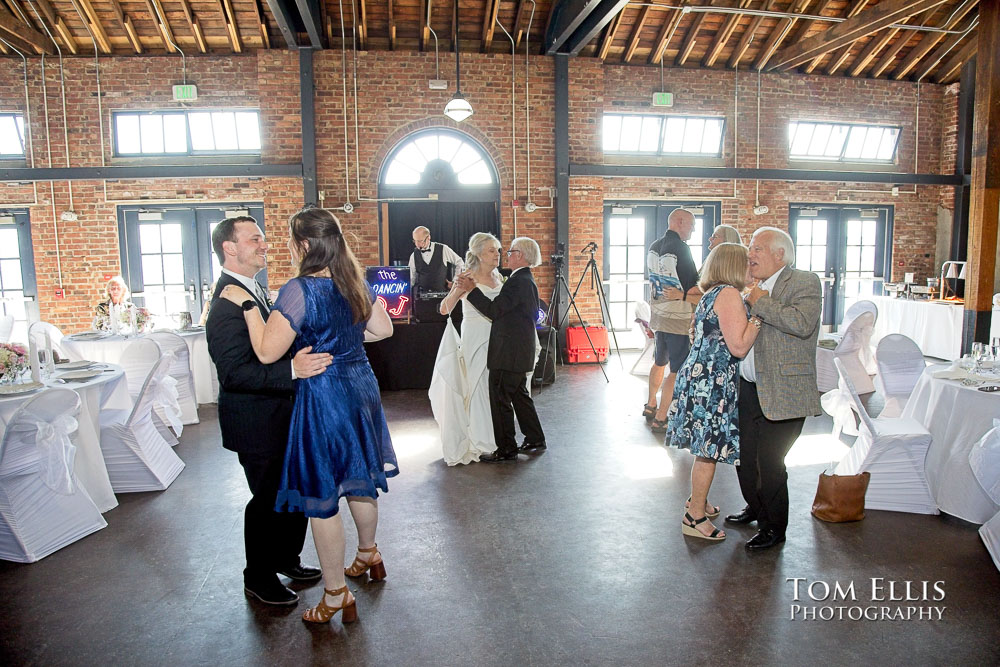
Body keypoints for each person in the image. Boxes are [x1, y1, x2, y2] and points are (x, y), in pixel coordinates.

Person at [219, 207, 398, 624]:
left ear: (302, 245)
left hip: (326, 394)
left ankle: (336, 593)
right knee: (360, 478)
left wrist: (247, 305)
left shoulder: (299, 289)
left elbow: (266, 352)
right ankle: (368, 553)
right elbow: (384, 331)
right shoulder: (354, 281)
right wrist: (347, 342)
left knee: (322, 496)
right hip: (362, 387)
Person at [206, 215, 330, 606]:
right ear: (230, 247)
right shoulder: (226, 302)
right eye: (254, 238)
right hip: (254, 422)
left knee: (292, 492)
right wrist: (293, 369)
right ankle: (257, 576)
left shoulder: (253, 289)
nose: (264, 244)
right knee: (265, 501)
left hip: (281, 415)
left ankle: (286, 559)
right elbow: (234, 373)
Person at [725, 227, 822, 551]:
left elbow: (801, 324)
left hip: (785, 392)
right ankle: (756, 507)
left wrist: (761, 302)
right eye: (751, 247)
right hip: (747, 388)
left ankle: (774, 528)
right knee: (744, 459)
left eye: (758, 248)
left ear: (780, 254)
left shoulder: (804, 282)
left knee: (770, 464)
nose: (750, 254)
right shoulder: (747, 286)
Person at [665, 243, 762, 541]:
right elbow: (739, 346)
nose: (751, 266)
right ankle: (694, 517)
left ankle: (700, 500)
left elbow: (698, 332)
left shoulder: (711, 293)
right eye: (746, 262)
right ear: (733, 265)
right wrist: (757, 314)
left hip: (699, 376)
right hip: (712, 382)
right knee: (708, 451)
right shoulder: (730, 294)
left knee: (704, 448)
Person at [454, 237, 545, 462]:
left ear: (520, 256)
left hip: (508, 353)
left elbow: (494, 311)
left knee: (500, 399)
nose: (506, 256)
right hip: (518, 349)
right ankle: (535, 438)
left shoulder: (517, 281)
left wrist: (472, 291)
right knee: (519, 395)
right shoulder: (525, 280)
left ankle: (506, 448)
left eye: (510, 252)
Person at [430, 232, 504, 465]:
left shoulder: (498, 277)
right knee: (478, 386)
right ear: (480, 253)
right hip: (475, 337)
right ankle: (481, 441)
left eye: (499, 251)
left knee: (493, 387)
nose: (497, 255)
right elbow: (444, 308)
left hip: (497, 338)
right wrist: (456, 292)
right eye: (492, 250)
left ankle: (496, 438)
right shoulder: (467, 277)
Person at [646, 209, 702, 433]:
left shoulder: (654, 245)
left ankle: (651, 404)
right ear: (680, 222)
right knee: (676, 369)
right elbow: (693, 285)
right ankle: (661, 417)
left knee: (659, 361)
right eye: (692, 225)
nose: (694, 230)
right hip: (678, 317)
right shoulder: (681, 248)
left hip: (659, 314)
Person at [408, 226, 464, 293]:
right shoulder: (413, 255)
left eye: (420, 241)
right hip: (421, 296)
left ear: (428, 237)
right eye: (415, 241)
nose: (417, 244)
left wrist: (455, 282)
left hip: (442, 296)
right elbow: (411, 278)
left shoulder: (443, 249)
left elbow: (459, 262)